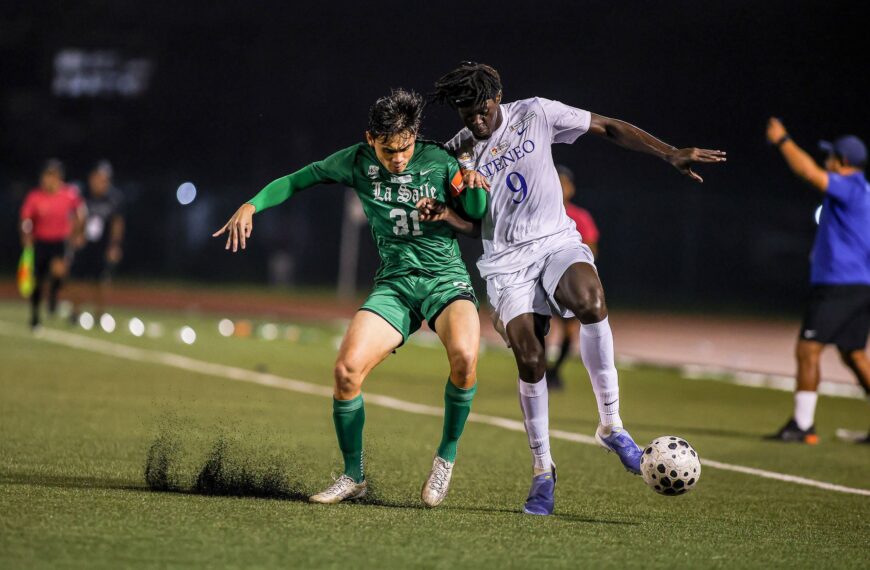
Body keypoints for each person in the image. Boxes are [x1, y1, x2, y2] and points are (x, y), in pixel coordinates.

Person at [430, 61, 725, 515]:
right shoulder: (457, 152)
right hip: (506, 264)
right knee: (531, 359)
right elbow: (475, 223)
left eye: (482, 109)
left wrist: (669, 153)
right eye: (465, 112)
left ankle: (611, 425)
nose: (475, 120)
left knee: (591, 300)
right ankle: (543, 470)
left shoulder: (537, 113)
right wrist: (445, 214)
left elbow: (606, 126)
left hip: (555, 241)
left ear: (498, 98)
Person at [213, 89, 488, 506]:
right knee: (345, 371)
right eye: (388, 149)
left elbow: (477, 210)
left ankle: (445, 459)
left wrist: (469, 178)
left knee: (466, 360)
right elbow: (297, 180)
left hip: (445, 282)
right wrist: (253, 204)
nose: (398, 158)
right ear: (370, 138)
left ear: (416, 137)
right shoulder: (355, 162)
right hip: (395, 284)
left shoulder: (440, 161)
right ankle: (353, 475)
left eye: (406, 147)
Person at [764, 118, 870, 444]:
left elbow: (809, 173)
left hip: (838, 284)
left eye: (831, 156)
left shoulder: (851, 187)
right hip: (858, 284)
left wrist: (783, 140)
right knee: (853, 354)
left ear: (842, 161)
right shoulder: (863, 189)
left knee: (808, 348)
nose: (826, 161)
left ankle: (803, 425)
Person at [546, 165, 600, 390]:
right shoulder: (542, 213)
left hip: (569, 283)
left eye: (564, 184)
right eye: (556, 182)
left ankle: (555, 371)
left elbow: (592, 250)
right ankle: (540, 371)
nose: (561, 188)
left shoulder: (580, 216)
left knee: (569, 332)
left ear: (571, 188)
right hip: (543, 280)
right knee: (539, 327)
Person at [19, 159, 86, 330]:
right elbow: (26, 219)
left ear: (59, 178)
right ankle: (35, 317)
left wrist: (78, 234)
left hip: (59, 242)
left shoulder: (69, 195)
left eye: (51, 176)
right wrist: (26, 234)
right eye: (46, 176)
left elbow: (80, 213)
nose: (47, 180)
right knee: (38, 281)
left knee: (59, 273)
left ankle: (53, 297)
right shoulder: (35, 196)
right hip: (41, 241)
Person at [69, 160, 125, 321]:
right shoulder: (81, 194)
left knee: (101, 280)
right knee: (77, 278)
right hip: (83, 243)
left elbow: (117, 223)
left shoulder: (114, 198)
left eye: (105, 179)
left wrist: (115, 245)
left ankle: (100, 315)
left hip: (102, 245)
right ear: (92, 178)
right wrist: (75, 236)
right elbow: (74, 218)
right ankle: (75, 312)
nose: (102, 183)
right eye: (99, 178)